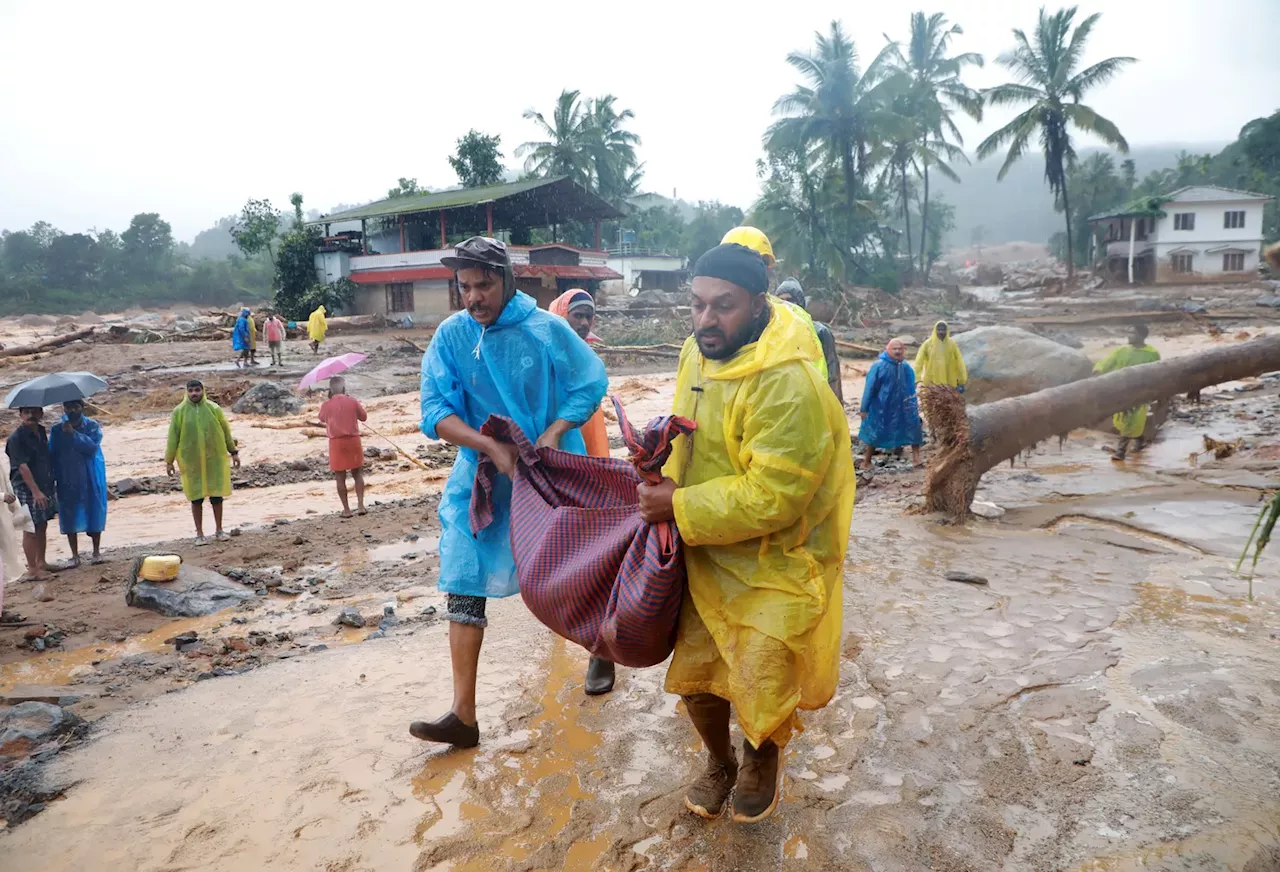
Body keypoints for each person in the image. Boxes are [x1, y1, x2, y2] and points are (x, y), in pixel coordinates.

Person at [636, 243, 855, 824]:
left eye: (723, 306)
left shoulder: (790, 383)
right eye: (697, 305)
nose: (707, 320)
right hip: (704, 546)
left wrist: (677, 506)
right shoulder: (694, 353)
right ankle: (718, 761)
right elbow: (689, 432)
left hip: (778, 556)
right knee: (699, 673)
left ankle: (760, 759)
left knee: (761, 672)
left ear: (758, 304)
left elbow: (777, 495)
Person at [411, 236, 610, 749]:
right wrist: (488, 446)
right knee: (464, 573)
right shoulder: (452, 336)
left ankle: (601, 647)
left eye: (484, 285)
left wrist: (548, 434)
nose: (474, 297)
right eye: (465, 287)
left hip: (548, 471)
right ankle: (463, 715)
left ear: (507, 280)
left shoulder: (546, 329)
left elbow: (589, 383)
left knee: (569, 569)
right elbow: (434, 408)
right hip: (482, 478)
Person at [165, 380, 240, 544]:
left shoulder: (214, 409)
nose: (194, 394)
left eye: (197, 390)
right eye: (191, 390)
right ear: (186, 392)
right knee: (196, 498)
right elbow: (173, 437)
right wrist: (169, 461)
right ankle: (199, 534)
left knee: (216, 496)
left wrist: (233, 452)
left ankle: (219, 530)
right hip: (191, 462)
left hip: (215, 459)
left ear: (203, 391)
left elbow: (226, 431)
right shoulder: (179, 412)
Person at [548, 289, 609, 458]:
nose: (584, 323)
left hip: (588, 421)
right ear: (560, 316)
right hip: (556, 425)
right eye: (578, 316)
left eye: (589, 317)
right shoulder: (545, 352)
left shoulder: (586, 354)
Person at [49, 400, 107, 567]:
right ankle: (75, 555)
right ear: (64, 408)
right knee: (69, 513)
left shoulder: (92, 426)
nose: (72, 410)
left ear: (83, 407)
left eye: (76, 406)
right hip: (66, 475)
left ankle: (96, 552)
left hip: (91, 474)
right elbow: (52, 453)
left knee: (95, 509)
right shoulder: (56, 430)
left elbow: (91, 448)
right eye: (69, 407)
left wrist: (73, 434)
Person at [1095, 323, 1161, 460]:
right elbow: (1108, 362)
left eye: (1132, 333)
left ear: (1141, 336)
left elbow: (1156, 373)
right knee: (1122, 421)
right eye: (1128, 332)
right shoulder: (1122, 350)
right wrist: (1098, 370)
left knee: (1131, 419)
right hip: (1121, 390)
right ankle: (1139, 439)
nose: (1129, 336)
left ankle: (1120, 452)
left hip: (1140, 392)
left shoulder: (1152, 354)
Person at [5, 407, 56, 580]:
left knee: (42, 523)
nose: (30, 416)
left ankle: (41, 562)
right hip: (25, 487)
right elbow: (22, 467)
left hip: (43, 484)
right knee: (30, 526)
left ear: (41, 414)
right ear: (20, 415)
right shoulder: (16, 438)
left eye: (34, 412)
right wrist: (35, 492)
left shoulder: (41, 431)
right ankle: (33, 569)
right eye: (26, 412)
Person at [775, 278, 844, 403]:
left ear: (800, 302)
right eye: (781, 300)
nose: (786, 304)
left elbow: (833, 373)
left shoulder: (819, 332)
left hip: (815, 399)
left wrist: (836, 407)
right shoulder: (772, 334)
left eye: (790, 300)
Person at [859, 338, 924, 470]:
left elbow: (911, 388)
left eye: (900, 349)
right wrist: (864, 408)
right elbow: (869, 388)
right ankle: (867, 461)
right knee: (875, 431)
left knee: (913, 428)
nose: (897, 351)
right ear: (887, 349)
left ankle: (917, 459)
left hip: (903, 407)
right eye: (894, 349)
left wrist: (913, 406)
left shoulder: (906, 368)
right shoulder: (878, 366)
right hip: (883, 406)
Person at [317, 376, 368, 518]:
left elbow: (321, 418)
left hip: (336, 443)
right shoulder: (352, 401)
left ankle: (346, 510)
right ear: (344, 388)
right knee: (357, 474)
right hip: (353, 440)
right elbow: (363, 417)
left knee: (340, 477)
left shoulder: (326, 405)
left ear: (330, 390)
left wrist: (329, 401)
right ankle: (361, 506)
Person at [914, 321, 967, 392]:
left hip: (949, 381)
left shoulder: (952, 344)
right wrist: (917, 379)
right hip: (932, 382)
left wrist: (961, 380)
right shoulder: (928, 344)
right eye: (939, 330)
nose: (941, 332)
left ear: (947, 331)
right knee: (933, 402)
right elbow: (918, 362)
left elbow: (959, 362)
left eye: (943, 330)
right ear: (935, 330)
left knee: (949, 402)